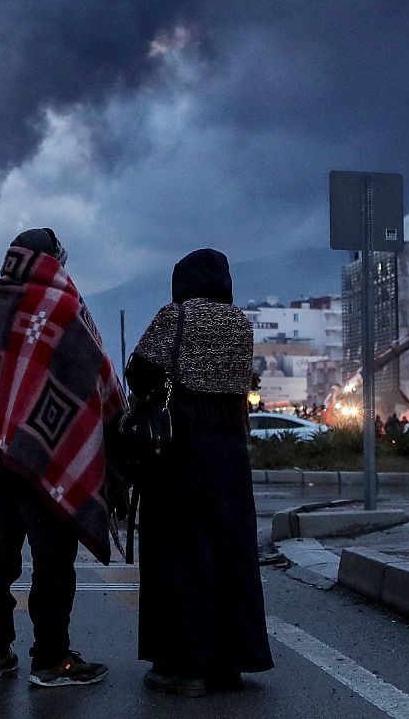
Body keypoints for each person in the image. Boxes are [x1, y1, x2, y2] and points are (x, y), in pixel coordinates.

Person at [0, 228, 125, 689]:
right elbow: (94, 376)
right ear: (54, 260)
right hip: (46, 456)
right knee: (52, 560)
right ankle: (52, 660)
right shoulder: (64, 306)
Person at [125, 248, 273, 697]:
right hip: (229, 455)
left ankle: (184, 666)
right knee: (229, 554)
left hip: (178, 454)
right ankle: (226, 665)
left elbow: (139, 371)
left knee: (179, 555)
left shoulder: (175, 317)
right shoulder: (241, 324)